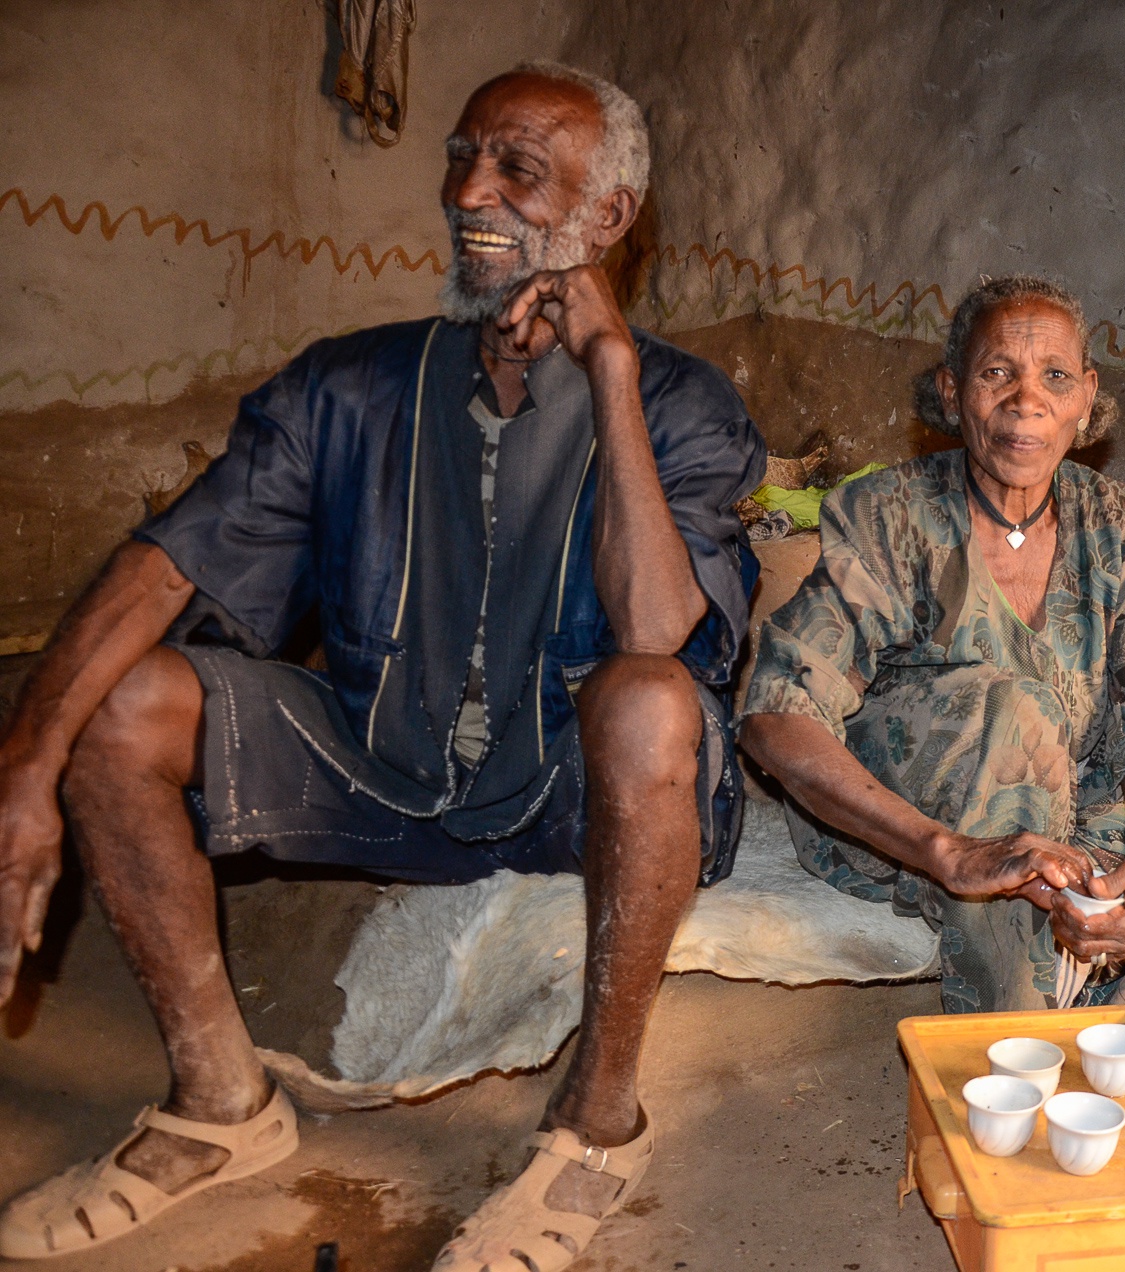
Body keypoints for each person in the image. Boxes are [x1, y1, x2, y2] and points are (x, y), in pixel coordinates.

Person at [0, 63, 765, 1271]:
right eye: (463, 155)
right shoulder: (348, 384)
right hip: (378, 762)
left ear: (608, 217)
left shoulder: (684, 407)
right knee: (127, 701)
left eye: (516, 166)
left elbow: (659, 628)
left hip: (573, 793)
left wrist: (611, 372)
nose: (469, 187)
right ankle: (220, 1106)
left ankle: (597, 1125)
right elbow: (166, 565)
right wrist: (26, 767)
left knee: (650, 703)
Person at [739, 275, 1125, 1086]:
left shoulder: (1117, 524)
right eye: (995, 374)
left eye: (1055, 377)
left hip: (1071, 791)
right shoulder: (891, 517)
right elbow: (776, 714)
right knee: (1009, 711)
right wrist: (946, 852)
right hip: (931, 818)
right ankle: (1018, 1027)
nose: (1027, 401)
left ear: (1086, 400)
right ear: (952, 393)